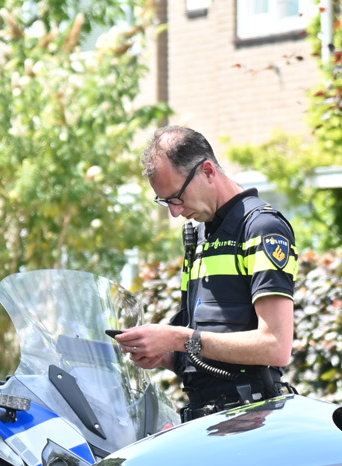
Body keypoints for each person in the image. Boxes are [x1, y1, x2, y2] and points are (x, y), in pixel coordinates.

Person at [114, 126, 297, 422]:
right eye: (165, 201)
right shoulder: (199, 236)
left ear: (208, 171)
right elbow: (208, 344)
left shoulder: (261, 228)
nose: (174, 212)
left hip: (252, 419)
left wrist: (178, 339)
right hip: (209, 419)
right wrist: (166, 355)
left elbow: (275, 346)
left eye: (177, 197)